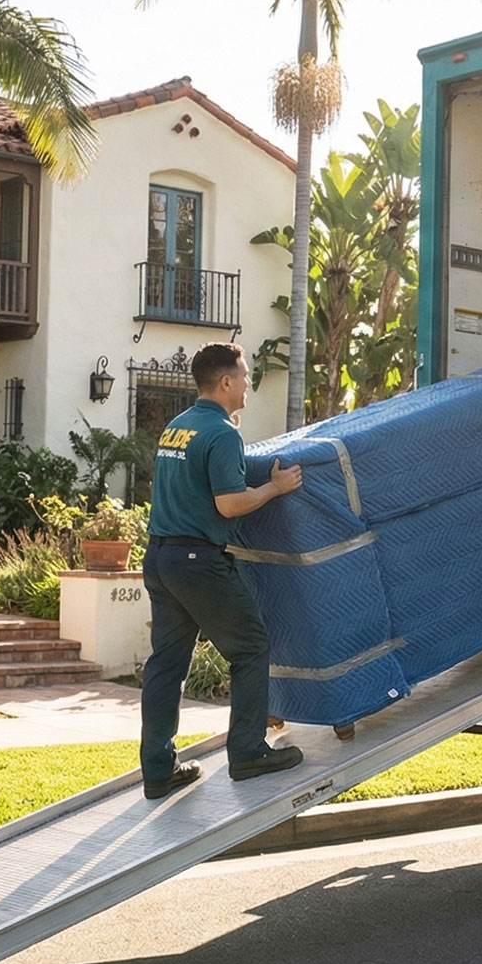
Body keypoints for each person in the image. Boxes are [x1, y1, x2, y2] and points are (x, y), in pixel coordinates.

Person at [139, 342, 306, 800]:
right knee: (250, 648)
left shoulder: (177, 428)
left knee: (166, 666)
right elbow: (229, 504)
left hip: (159, 558)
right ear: (227, 382)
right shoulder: (222, 432)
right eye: (246, 375)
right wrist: (274, 487)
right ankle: (249, 752)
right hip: (196, 561)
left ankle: (158, 770)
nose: (250, 382)